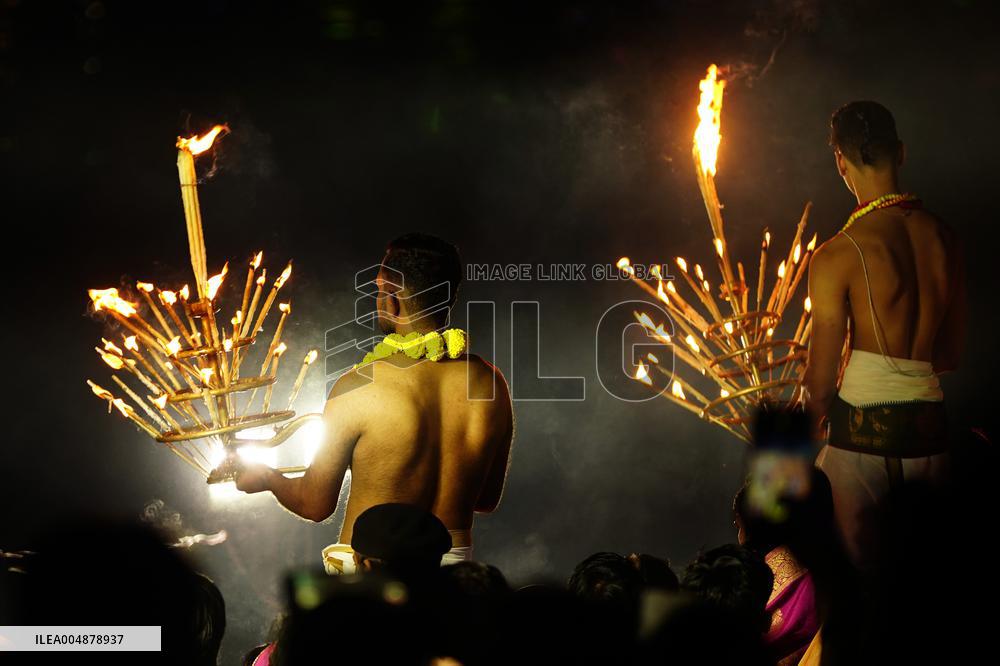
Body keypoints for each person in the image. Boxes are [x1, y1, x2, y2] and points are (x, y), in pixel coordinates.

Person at [236, 233, 514, 574]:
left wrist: (266, 478)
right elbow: (486, 500)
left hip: (372, 573)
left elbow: (314, 503)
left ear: (390, 295)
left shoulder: (357, 387)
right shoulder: (491, 383)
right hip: (453, 575)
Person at [804, 101, 965, 565]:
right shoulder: (947, 239)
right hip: (932, 439)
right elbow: (950, 355)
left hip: (859, 446)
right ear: (901, 152)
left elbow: (818, 387)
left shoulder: (838, 254)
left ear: (840, 162)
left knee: (859, 594)